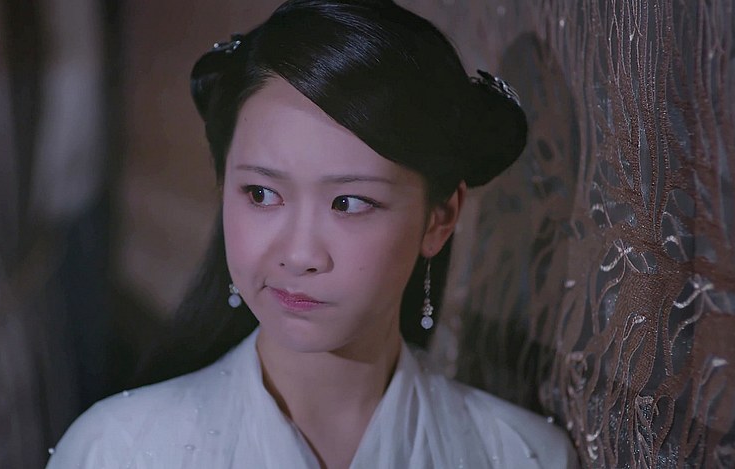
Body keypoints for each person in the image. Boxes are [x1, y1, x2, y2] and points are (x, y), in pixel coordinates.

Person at [46, 0, 578, 467]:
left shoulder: (524, 457)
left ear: (440, 218)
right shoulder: (117, 452)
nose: (299, 255)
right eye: (261, 194)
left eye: (349, 203)